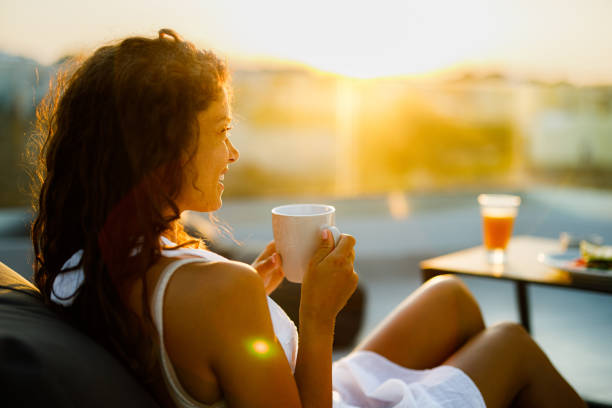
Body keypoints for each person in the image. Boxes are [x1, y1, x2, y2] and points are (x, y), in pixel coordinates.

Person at [31, 29, 586, 408]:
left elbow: (203, 343)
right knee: (510, 342)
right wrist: (318, 317)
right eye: (222, 132)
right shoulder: (219, 291)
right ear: (161, 149)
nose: (234, 154)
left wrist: (258, 292)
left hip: (309, 387)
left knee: (450, 297)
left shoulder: (85, 262)